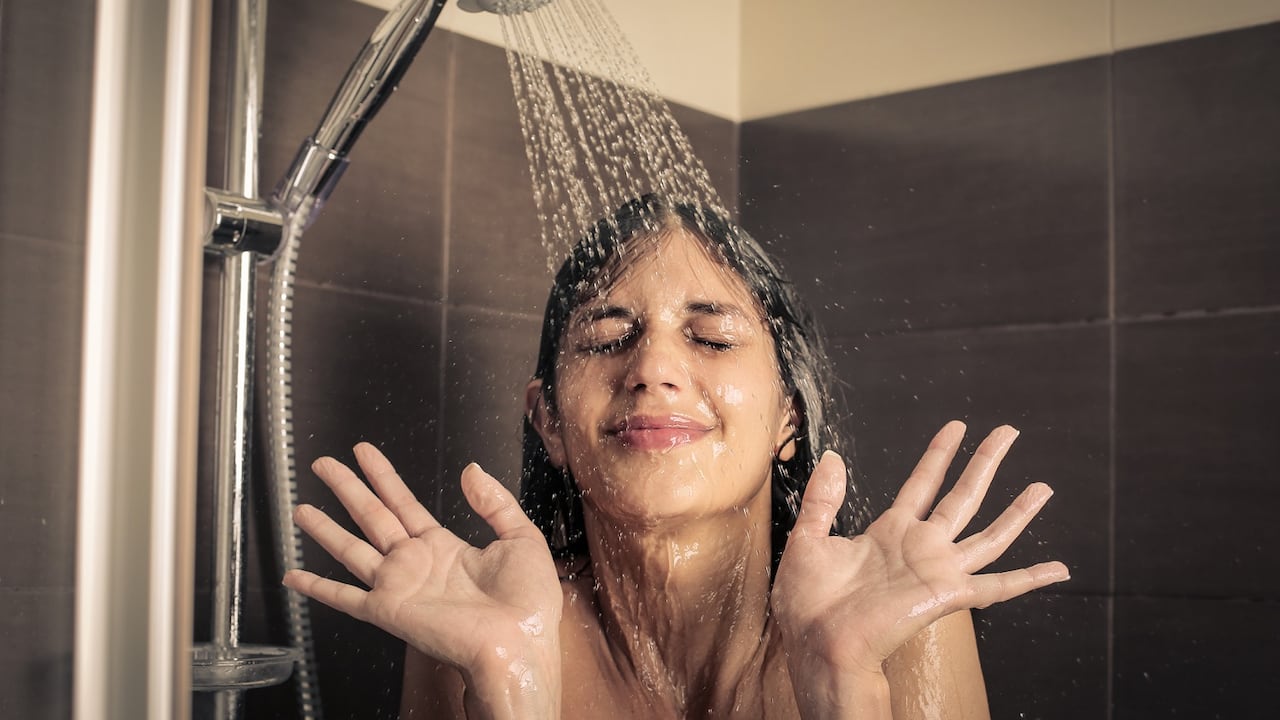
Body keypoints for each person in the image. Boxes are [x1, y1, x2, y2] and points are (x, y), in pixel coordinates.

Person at [283, 194, 1070, 719]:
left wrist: (846, 685)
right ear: (549, 421)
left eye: (712, 338)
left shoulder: (897, 629)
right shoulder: (473, 632)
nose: (654, 368)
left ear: (787, 419)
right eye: (606, 338)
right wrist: (507, 685)